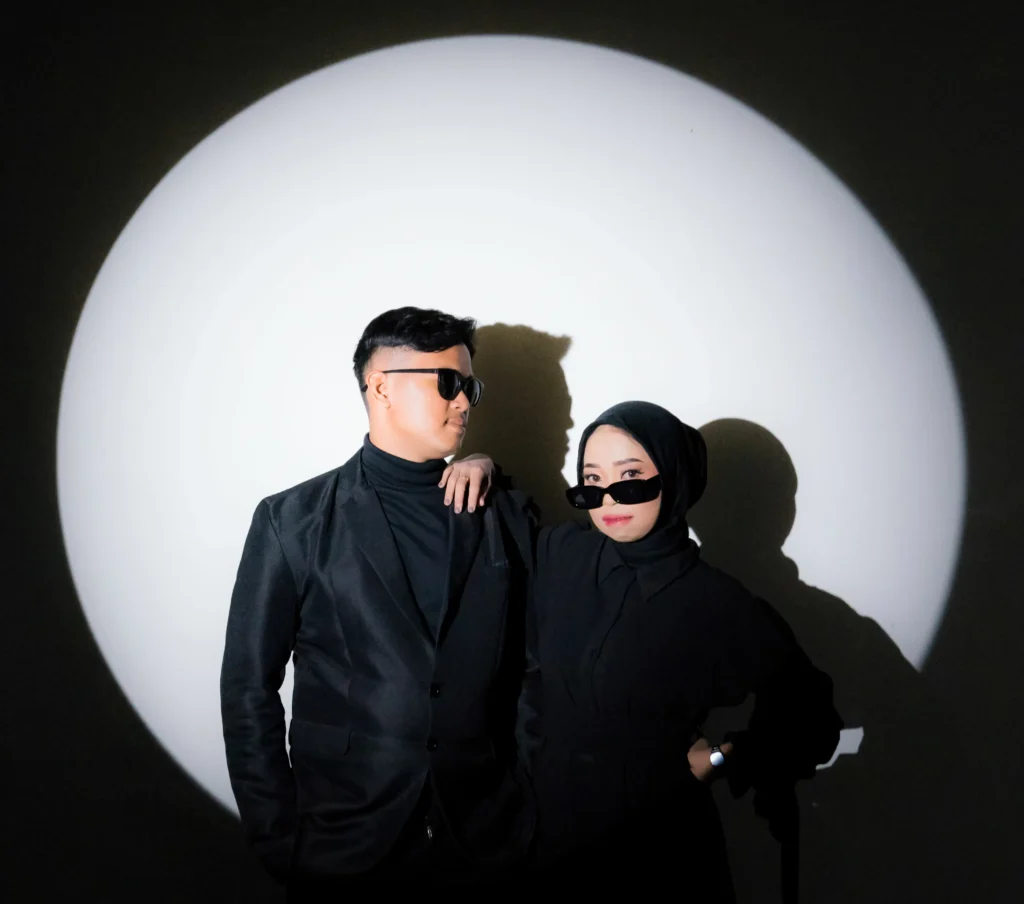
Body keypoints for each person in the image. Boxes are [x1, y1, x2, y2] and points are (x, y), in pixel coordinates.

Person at [219, 307, 537, 899]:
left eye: (471, 387)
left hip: (483, 844)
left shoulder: (504, 514)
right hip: (342, 845)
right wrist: (276, 837)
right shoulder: (292, 521)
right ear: (382, 387)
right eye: (448, 383)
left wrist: (527, 807)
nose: (464, 402)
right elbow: (247, 688)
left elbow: (535, 668)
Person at [511, 401, 842, 897]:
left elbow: (812, 717)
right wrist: (476, 465)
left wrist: (723, 758)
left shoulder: (717, 603)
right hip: (546, 836)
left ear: (675, 476)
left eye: (630, 477)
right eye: (592, 480)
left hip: (656, 847)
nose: (608, 498)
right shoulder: (561, 554)